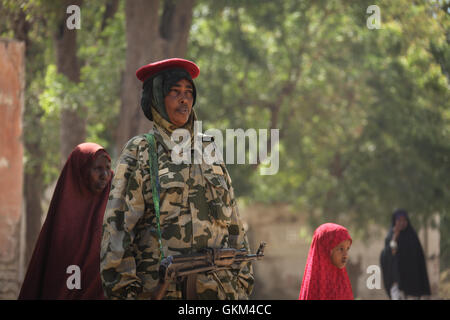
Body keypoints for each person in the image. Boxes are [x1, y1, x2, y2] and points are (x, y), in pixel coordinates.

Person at [100, 58, 254, 300]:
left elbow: (234, 222)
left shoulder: (208, 148)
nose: (185, 99)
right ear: (157, 99)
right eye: (175, 92)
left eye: (189, 92)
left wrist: (241, 285)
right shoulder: (140, 151)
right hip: (161, 291)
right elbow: (118, 230)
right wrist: (126, 293)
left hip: (219, 292)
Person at [18, 143, 113, 299]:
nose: (105, 175)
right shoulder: (63, 218)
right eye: (97, 168)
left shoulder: (111, 207)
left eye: (108, 168)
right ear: (81, 170)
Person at [380, 209, 431, 300]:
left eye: (404, 220)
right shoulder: (390, 236)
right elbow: (390, 253)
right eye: (399, 220)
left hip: (412, 280)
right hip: (397, 280)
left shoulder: (412, 236)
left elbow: (419, 258)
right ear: (394, 221)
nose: (402, 223)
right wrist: (395, 236)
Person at [298, 223, 354, 300]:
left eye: (347, 249)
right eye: (341, 249)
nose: (346, 255)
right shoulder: (314, 285)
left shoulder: (342, 281)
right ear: (325, 250)